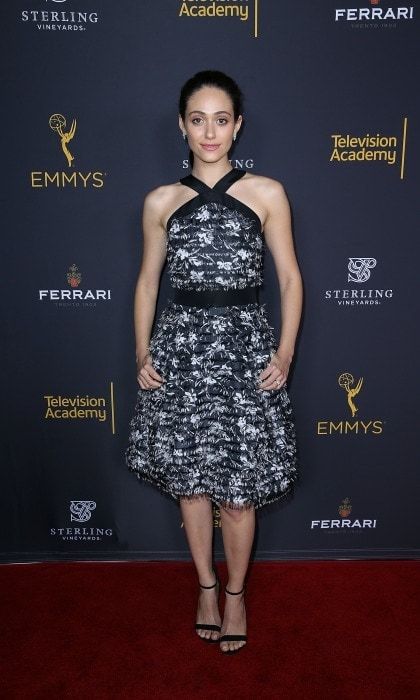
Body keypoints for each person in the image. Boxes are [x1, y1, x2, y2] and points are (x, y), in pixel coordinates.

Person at [125, 70, 303, 655]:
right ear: (182, 125)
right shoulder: (160, 201)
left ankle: (234, 593)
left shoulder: (267, 193)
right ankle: (205, 586)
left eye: (221, 119)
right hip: (181, 351)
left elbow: (290, 278)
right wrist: (143, 352)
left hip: (245, 350)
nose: (210, 131)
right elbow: (148, 282)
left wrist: (284, 353)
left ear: (237, 126)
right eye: (197, 119)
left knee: (238, 492)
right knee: (193, 485)